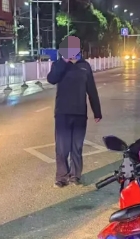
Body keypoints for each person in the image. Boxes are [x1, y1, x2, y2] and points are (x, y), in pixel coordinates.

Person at [47, 37, 102, 188]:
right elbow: (51, 79)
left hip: (79, 113)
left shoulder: (85, 66)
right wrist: (64, 61)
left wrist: (97, 112)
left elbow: (91, 90)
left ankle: (75, 176)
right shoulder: (59, 64)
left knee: (76, 147)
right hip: (62, 112)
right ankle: (61, 177)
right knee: (62, 148)